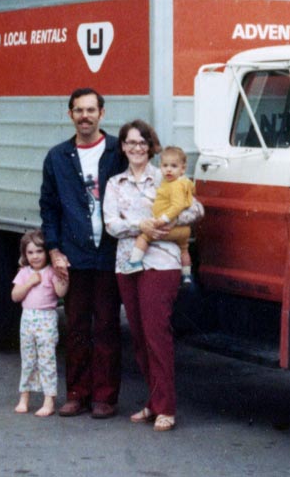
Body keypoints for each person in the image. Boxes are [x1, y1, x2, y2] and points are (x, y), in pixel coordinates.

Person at [103, 120, 204, 432]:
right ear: (122, 147)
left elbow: (196, 210)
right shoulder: (115, 184)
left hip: (160, 262)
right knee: (138, 337)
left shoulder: (167, 175)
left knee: (156, 334)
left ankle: (166, 408)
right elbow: (110, 224)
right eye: (130, 143)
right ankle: (153, 400)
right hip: (126, 263)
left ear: (151, 147)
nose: (136, 148)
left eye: (142, 143)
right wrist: (141, 226)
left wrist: (162, 224)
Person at [40, 87, 127, 419]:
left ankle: (105, 397)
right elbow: (48, 207)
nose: (85, 116)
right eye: (79, 110)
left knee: (106, 326)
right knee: (76, 327)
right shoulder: (58, 157)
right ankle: (77, 393)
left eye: (91, 110)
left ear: (102, 114)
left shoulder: (118, 151)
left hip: (108, 254)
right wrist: (54, 250)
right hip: (74, 256)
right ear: (70, 115)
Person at [12, 229, 68, 417]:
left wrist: (63, 274)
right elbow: (15, 296)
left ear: (46, 252)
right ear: (25, 254)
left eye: (39, 251)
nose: (35, 256)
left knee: (46, 360)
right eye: (30, 252)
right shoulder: (24, 273)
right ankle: (24, 397)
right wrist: (29, 283)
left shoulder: (51, 271)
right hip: (27, 319)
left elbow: (61, 292)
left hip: (46, 319)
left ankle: (49, 399)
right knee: (28, 359)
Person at [128, 145, 195, 287]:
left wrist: (164, 219)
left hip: (169, 226)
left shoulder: (175, 185)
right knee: (184, 249)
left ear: (183, 169)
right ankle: (187, 275)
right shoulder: (181, 183)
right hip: (184, 230)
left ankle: (134, 263)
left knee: (144, 237)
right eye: (165, 166)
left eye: (174, 166)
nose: (168, 169)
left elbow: (177, 205)